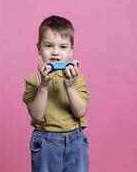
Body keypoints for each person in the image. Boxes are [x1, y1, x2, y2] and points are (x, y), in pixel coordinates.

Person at [23, 15, 90, 172]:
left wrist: (70, 86)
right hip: (45, 142)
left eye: (63, 47)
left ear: (71, 51)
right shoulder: (34, 80)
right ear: (39, 48)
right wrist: (44, 86)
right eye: (48, 46)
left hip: (76, 141)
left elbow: (80, 112)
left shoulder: (77, 78)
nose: (55, 52)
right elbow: (37, 116)